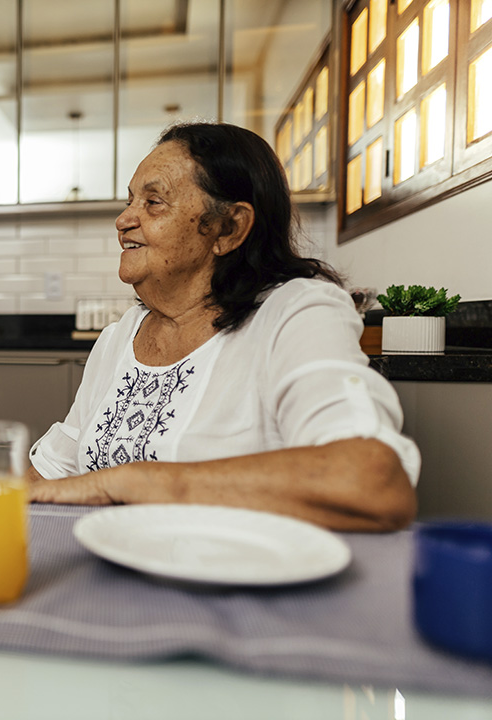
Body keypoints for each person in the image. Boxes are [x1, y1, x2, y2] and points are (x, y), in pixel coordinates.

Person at [28, 122, 420, 532]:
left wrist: (131, 483)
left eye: (154, 202)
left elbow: (370, 479)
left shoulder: (295, 314)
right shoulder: (118, 338)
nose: (123, 219)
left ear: (229, 228)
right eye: (130, 201)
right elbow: (52, 472)